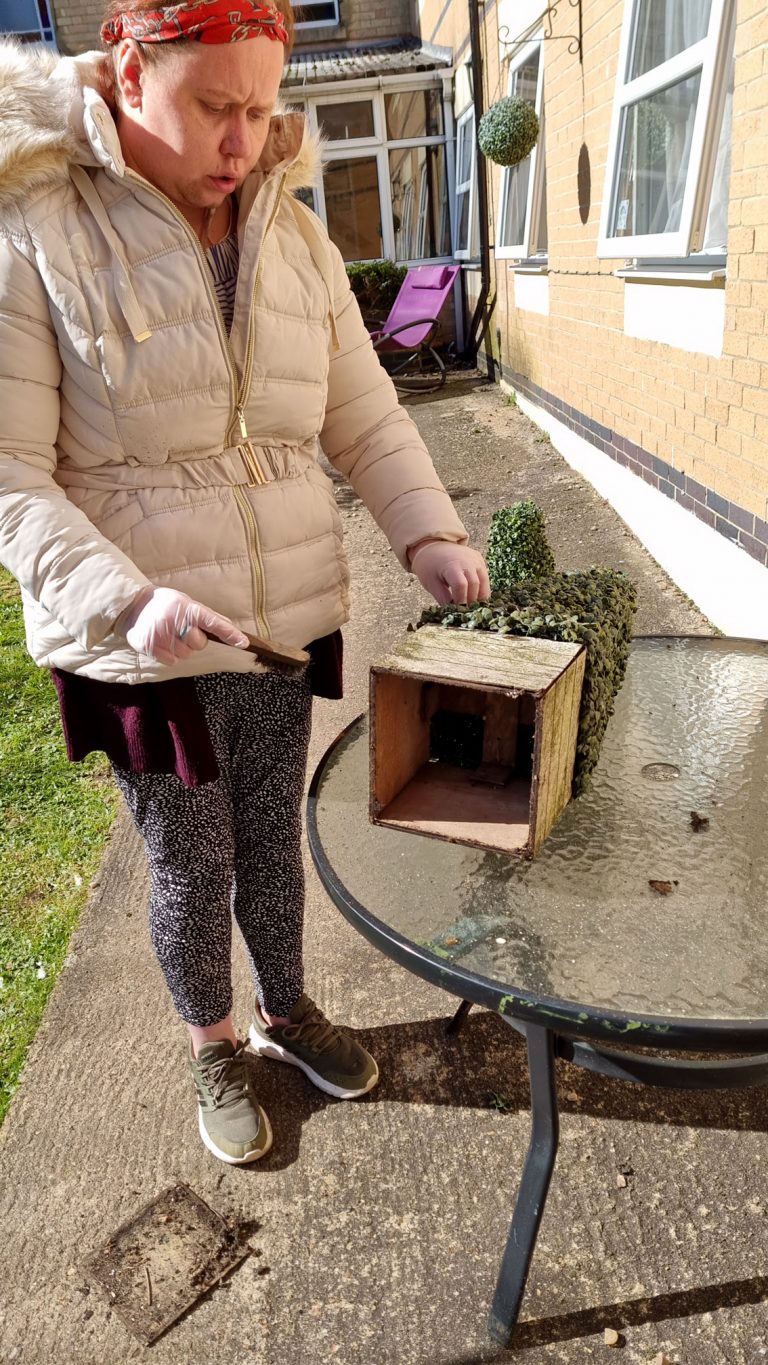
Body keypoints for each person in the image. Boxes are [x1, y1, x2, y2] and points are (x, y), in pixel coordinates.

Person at [0, 2, 490, 1165]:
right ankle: (212, 1045)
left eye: (263, 108)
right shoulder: (35, 228)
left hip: (282, 620)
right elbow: (11, 473)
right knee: (191, 861)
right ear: (129, 73)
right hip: (145, 645)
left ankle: (287, 1009)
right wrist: (127, 602)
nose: (243, 140)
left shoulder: (295, 233)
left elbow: (363, 413)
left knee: (272, 840)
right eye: (215, 105)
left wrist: (425, 532)